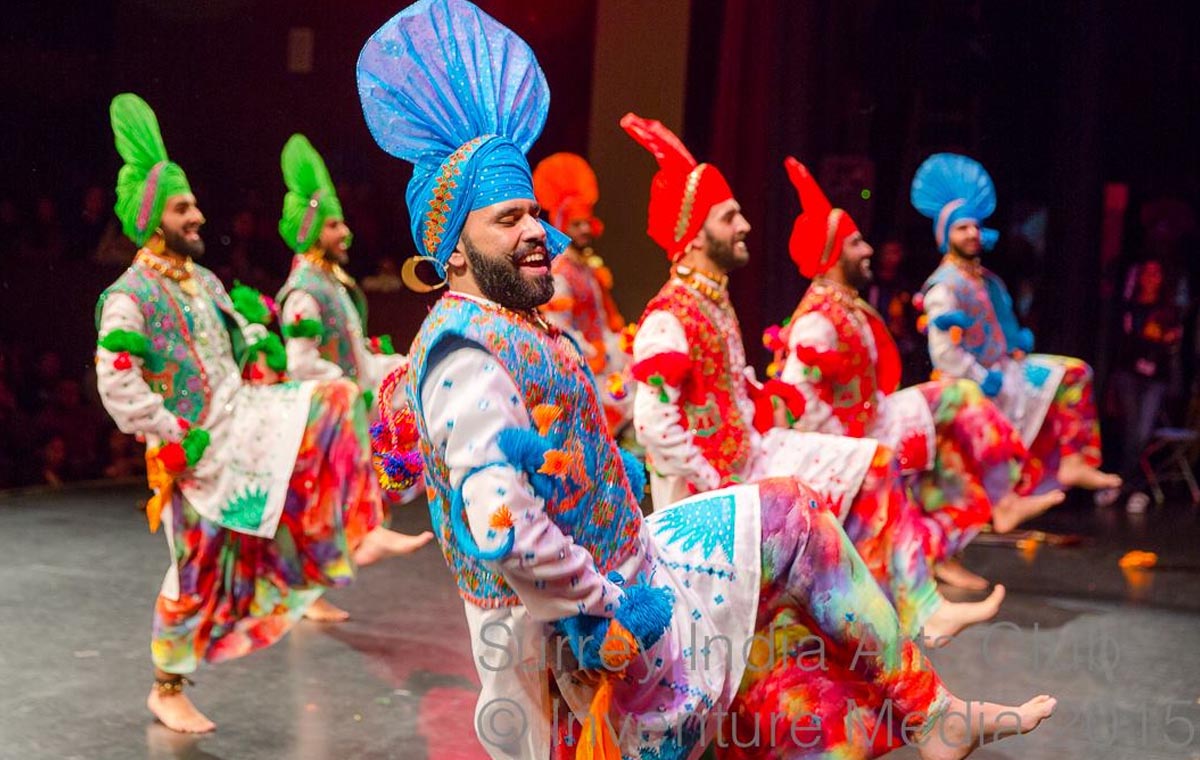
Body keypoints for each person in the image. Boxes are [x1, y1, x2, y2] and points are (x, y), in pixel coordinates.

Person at [359, 2, 1056, 757]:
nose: (535, 229)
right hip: (568, 638)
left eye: (533, 212)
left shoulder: (517, 325)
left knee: (792, 520)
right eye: (507, 219)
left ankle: (931, 712)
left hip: (632, 567)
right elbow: (502, 528)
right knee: (711, 717)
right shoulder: (465, 355)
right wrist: (611, 609)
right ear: (451, 250)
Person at [94, 94, 430, 733]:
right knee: (191, 569)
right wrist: (171, 432)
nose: (198, 216)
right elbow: (117, 381)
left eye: (193, 204)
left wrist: (256, 343)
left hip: (242, 421)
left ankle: (357, 529)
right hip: (194, 448)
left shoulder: (203, 282)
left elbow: (242, 342)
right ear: (151, 219)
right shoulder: (129, 297)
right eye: (182, 208)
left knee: (334, 402)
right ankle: (166, 687)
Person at [770, 159, 1061, 589]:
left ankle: (1001, 502)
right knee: (944, 444)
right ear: (832, 257)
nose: (868, 250)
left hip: (879, 414)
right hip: (851, 438)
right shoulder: (818, 320)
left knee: (959, 397)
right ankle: (932, 564)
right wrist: (844, 442)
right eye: (856, 244)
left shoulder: (846, 305)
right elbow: (797, 395)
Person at [911, 153, 1121, 498]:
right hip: (969, 383)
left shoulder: (988, 280)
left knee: (1075, 373)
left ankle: (1074, 461)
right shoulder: (943, 286)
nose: (972, 233)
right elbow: (944, 352)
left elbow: (1003, 326)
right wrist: (981, 376)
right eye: (962, 228)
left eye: (975, 226)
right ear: (946, 235)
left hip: (1008, 370)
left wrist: (1016, 343)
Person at [276, 134, 406, 400]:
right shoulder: (304, 293)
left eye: (342, 223)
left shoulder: (330, 282)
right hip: (342, 414)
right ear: (309, 234)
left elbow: (358, 363)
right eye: (333, 225)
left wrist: (403, 367)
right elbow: (302, 366)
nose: (345, 232)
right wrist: (350, 391)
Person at [533, 152, 633, 433]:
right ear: (562, 225)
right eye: (577, 224)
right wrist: (593, 353)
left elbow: (604, 318)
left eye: (587, 222)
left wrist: (616, 347)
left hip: (605, 363)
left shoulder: (587, 267)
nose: (586, 229)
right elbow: (559, 330)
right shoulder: (559, 272)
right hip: (580, 369)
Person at [1111, 258, 1184, 510]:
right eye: (1147, 272)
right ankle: (1127, 487)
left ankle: (1127, 485)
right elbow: (1126, 343)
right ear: (1140, 277)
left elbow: (1170, 345)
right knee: (1131, 430)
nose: (1152, 278)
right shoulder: (1129, 307)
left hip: (1155, 380)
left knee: (1142, 433)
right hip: (1129, 375)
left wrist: (1164, 341)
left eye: (1156, 273)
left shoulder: (1169, 311)